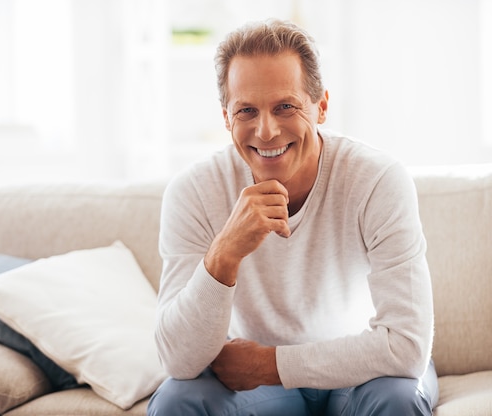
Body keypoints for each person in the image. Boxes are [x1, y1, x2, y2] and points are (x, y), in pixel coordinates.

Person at [148, 19, 439, 415]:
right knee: (177, 401)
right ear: (226, 118)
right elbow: (178, 361)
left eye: (285, 107)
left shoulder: (378, 180)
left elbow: (406, 347)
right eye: (246, 110)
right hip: (256, 390)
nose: (266, 131)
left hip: (363, 372)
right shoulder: (193, 191)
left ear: (320, 108)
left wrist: (272, 364)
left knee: (398, 399)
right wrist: (224, 255)